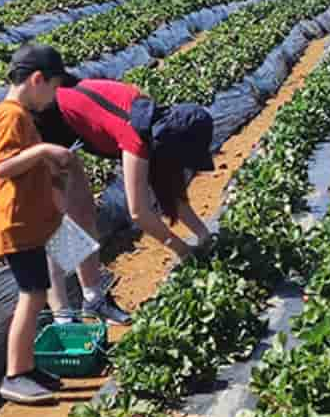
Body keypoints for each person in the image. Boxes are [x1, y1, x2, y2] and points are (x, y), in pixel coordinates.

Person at [36, 73, 215, 271]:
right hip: (46, 126)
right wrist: (184, 251)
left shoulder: (149, 116)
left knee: (82, 213)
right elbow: (139, 213)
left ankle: (83, 288)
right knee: (73, 213)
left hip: (66, 117)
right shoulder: (135, 137)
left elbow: (172, 191)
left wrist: (203, 234)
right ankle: (60, 291)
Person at [0, 45, 82, 405]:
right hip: (16, 223)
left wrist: (49, 169)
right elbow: (1, 167)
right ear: (37, 79)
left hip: (30, 221)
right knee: (32, 295)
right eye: (55, 87)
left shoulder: (20, 115)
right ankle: (14, 375)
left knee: (37, 293)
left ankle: (27, 368)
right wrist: (44, 152)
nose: (55, 96)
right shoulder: (9, 115)